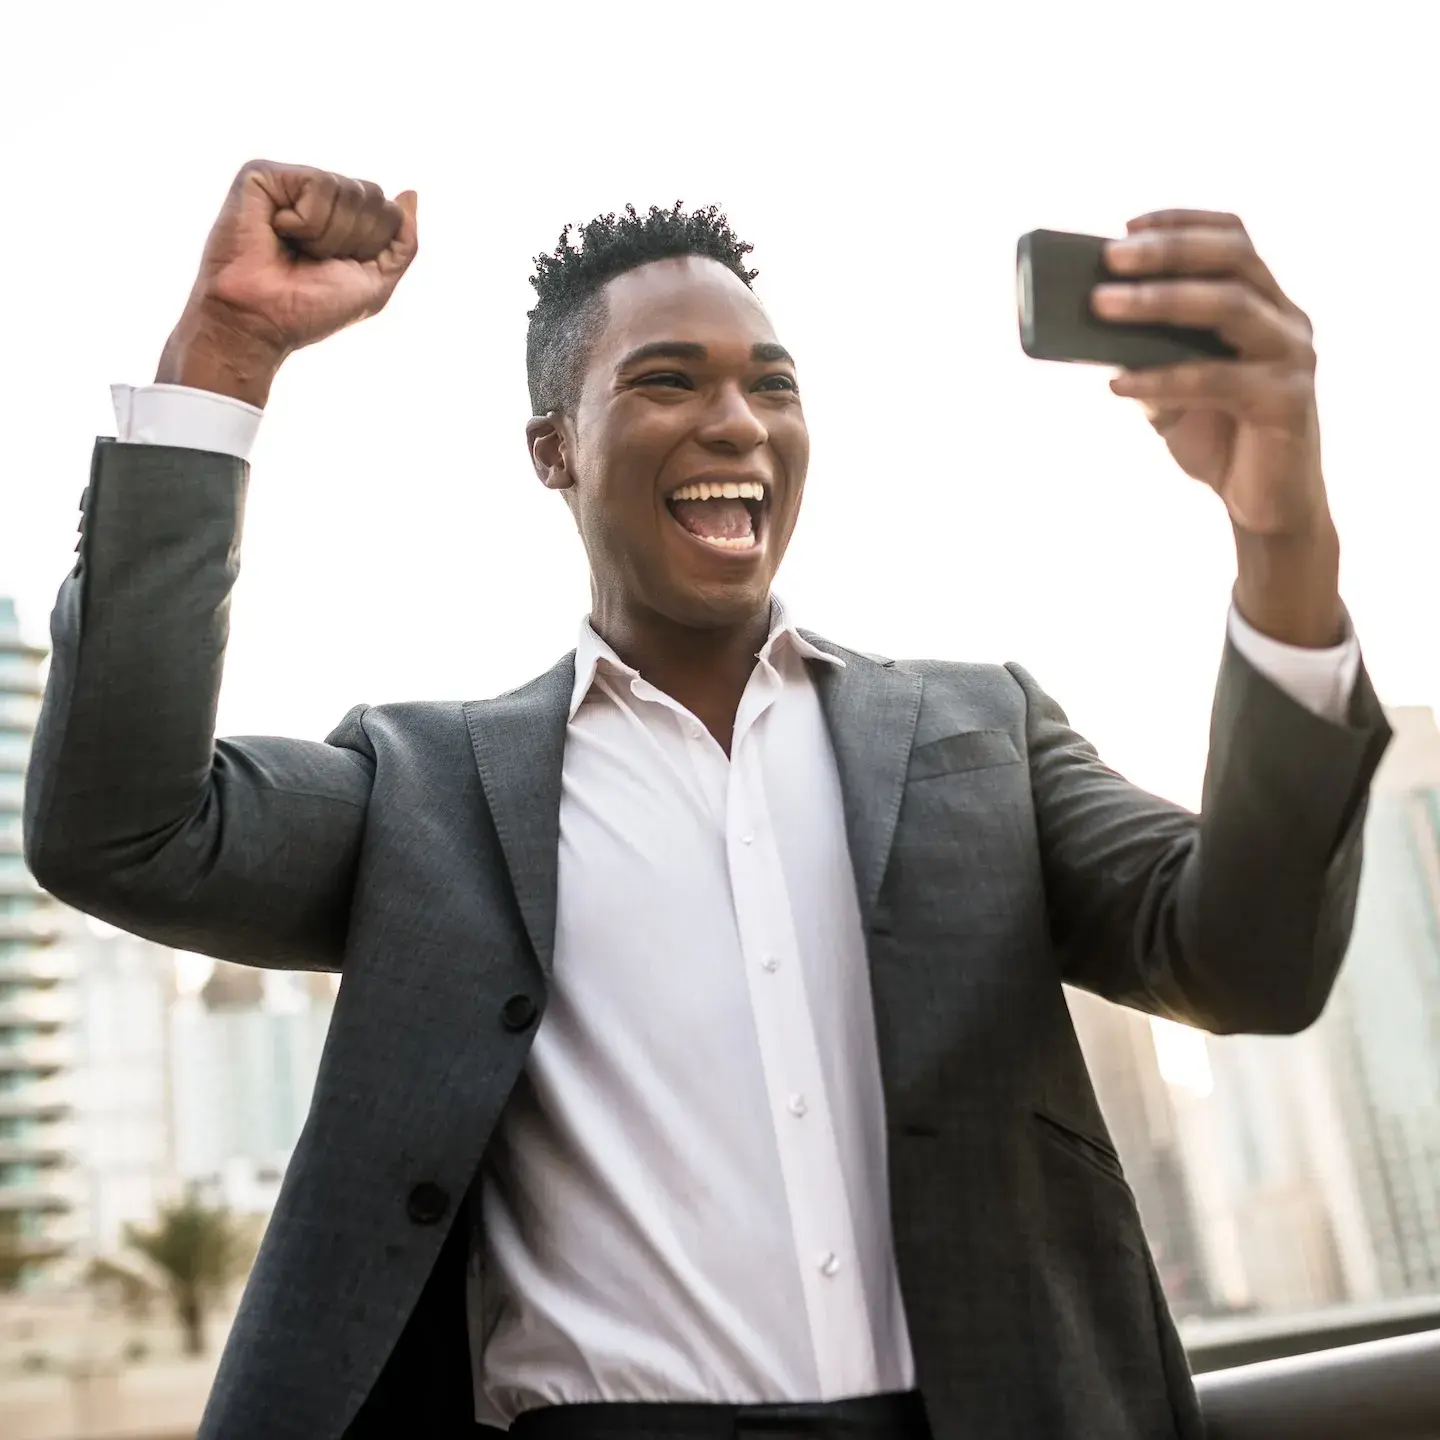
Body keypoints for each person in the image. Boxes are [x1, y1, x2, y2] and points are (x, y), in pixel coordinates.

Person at [25, 162, 1390, 1440]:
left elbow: (1247, 961)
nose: (738, 422)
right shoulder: (426, 792)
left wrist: (1282, 533)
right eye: (668, 380)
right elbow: (122, 831)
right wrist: (224, 356)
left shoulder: (984, 733)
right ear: (553, 450)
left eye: (772, 386)